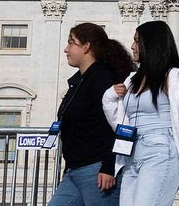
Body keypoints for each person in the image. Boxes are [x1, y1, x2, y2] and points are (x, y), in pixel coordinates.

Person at [102, 21, 179, 206]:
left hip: (160, 151)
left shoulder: (174, 77)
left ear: (151, 45)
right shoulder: (132, 79)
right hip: (131, 154)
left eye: (137, 41)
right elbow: (119, 123)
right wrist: (109, 97)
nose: (132, 46)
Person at [47, 23, 135, 206]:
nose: (66, 49)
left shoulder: (102, 79)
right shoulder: (79, 81)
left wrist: (109, 166)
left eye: (71, 43)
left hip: (97, 170)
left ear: (86, 47)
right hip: (73, 170)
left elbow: (117, 124)